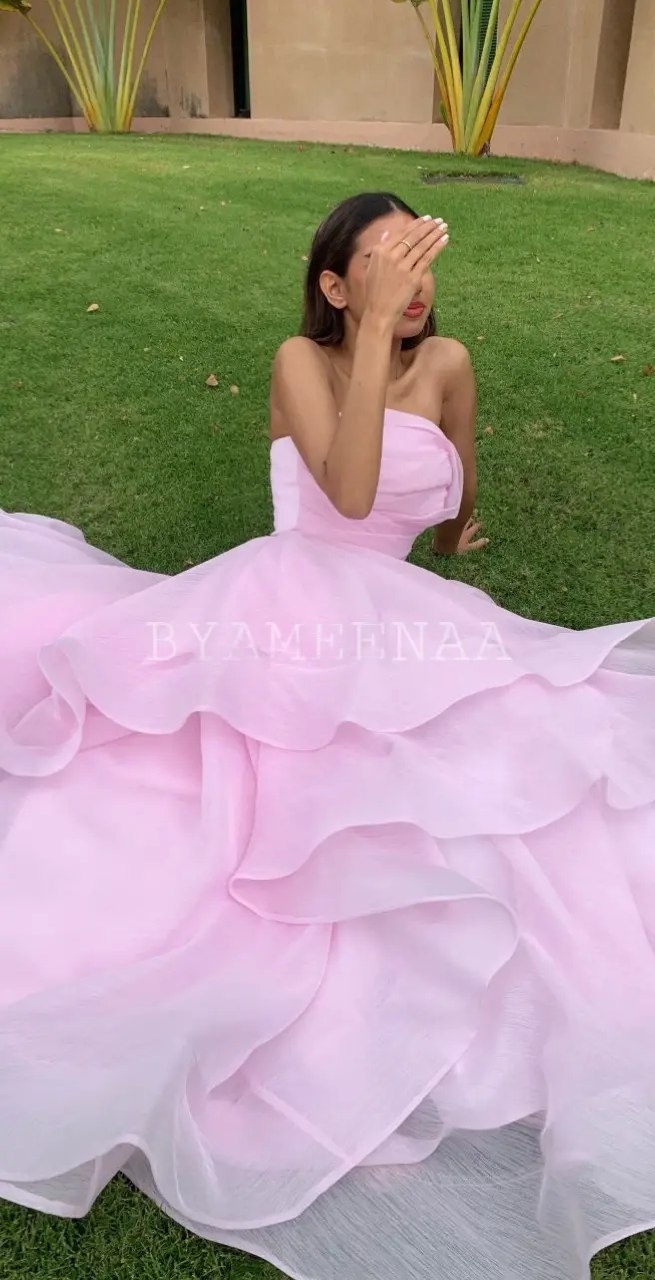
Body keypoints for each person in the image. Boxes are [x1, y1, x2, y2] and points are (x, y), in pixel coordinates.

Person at [0, 191, 654, 1280]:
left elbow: (451, 487)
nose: (413, 282)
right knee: (267, 806)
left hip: (398, 612)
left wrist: (455, 529)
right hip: (287, 604)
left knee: (517, 781)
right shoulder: (302, 362)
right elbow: (348, 496)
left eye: (421, 258)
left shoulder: (448, 361)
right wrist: (370, 334)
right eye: (385, 264)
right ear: (336, 286)